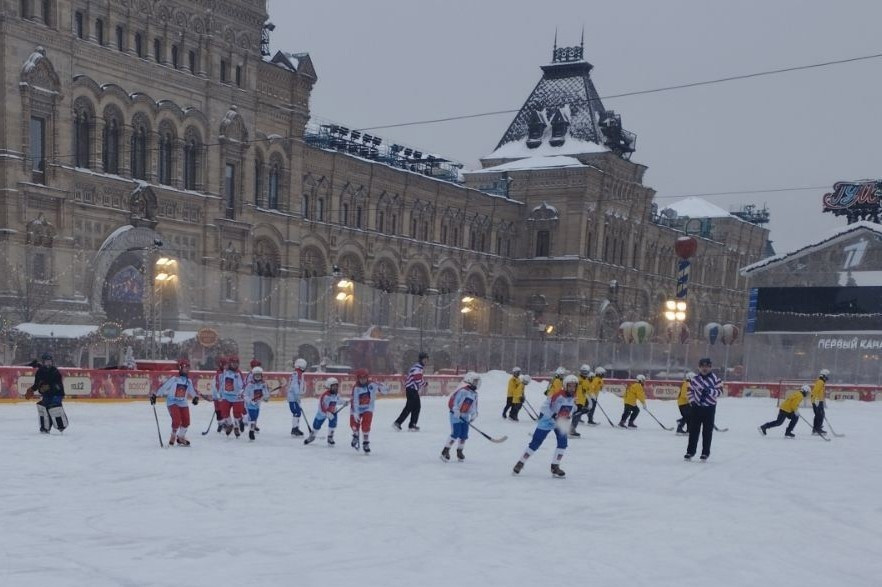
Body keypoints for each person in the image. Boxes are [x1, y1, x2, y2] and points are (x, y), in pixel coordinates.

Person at [513, 374, 576, 478]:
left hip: (560, 422)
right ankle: (520, 462)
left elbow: (571, 408)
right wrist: (553, 415)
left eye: (574, 386)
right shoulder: (557, 395)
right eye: (570, 386)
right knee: (535, 443)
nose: (572, 388)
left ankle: (555, 466)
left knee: (563, 443)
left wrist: (569, 415)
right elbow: (545, 407)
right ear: (565, 385)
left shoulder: (573, 397)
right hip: (547, 421)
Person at [150, 358, 199, 446]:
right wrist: (155, 395)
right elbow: (164, 387)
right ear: (180, 368)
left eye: (188, 367)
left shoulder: (188, 381)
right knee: (176, 420)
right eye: (185, 367)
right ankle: (173, 435)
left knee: (186, 422)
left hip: (183, 402)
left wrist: (195, 397)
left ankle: (181, 437)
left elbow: (192, 391)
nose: (187, 369)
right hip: (172, 402)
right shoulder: (174, 379)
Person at [685, 358, 722, 460]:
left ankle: (705, 453)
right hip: (697, 408)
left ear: (710, 367)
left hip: (709, 408)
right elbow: (689, 391)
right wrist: (692, 401)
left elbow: (720, 392)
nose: (704, 368)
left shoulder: (716, 379)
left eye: (707, 366)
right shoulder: (694, 379)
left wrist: (709, 391)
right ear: (699, 367)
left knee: (707, 431)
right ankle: (690, 452)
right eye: (702, 366)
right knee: (693, 431)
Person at [441, 372, 480, 462]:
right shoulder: (462, 391)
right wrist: (456, 411)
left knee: (464, 435)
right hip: (455, 416)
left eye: (477, 382)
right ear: (469, 380)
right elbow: (454, 402)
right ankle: (445, 451)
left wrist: (474, 414)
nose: (476, 383)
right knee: (456, 433)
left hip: (465, 416)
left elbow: (473, 406)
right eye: (475, 381)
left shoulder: (474, 394)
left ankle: (460, 451)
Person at [25, 352, 67, 433]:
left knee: (54, 408)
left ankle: (60, 425)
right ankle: (45, 427)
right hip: (46, 394)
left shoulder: (55, 371)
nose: (48, 363)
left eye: (50, 361)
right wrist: (32, 389)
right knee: (44, 408)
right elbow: (37, 384)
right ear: (43, 362)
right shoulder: (40, 372)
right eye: (46, 362)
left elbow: (58, 385)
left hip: (57, 394)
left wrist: (49, 387)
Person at [351, 369, 386, 454]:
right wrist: (355, 412)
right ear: (358, 378)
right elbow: (355, 401)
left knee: (366, 426)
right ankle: (355, 435)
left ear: (367, 377)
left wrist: (383, 388)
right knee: (354, 425)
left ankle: (366, 442)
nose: (363, 380)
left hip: (368, 408)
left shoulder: (372, 384)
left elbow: (383, 389)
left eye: (364, 378)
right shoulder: (356, 388)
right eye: (361, 378)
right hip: (357, 409)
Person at [394, 351, 428, 431]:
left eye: (426, 360)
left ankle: (412, 424)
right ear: (420, 360)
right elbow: (418, 379)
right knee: (410, 407)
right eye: (424, 360)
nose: (425, 361)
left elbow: (417, 379)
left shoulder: (418, 367)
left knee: (415, 407)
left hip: (412, 389)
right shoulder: (418, 368)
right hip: (411, 389)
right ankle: (398, 423)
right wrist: (424, 384)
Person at [305, 377, 342, 446]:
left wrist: (344, 402)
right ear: (329, 386)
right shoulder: (325, 396)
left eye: (336, 386)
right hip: (322, 413)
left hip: (332, 411)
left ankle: (330, 437)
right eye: (333, 386)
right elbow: (322, 407)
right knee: (316, 424)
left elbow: (338, 401)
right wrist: (327, 413)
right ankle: (312, 436)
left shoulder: (336, 394)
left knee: (333, 423)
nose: (335, 388)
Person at [217, 355, 246, 437]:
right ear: (230, 363)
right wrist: (219, 393)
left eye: (236, 363)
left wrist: (241, 392)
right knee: (224, 412)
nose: (235, 365)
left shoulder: (238, 373)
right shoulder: (225, 372)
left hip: (236, 397)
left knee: (237, 413)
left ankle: (237, 426)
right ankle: (230, 424)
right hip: (226, 395)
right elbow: (222, 383)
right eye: (233, 363)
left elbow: (242, 385)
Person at [243, 366, 270, 441]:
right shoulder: (250, 385)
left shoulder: (263, 384)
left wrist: (266, 397)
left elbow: (266, 394)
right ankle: (251, 432)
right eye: (256, 375)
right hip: (250, 405)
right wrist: (250, 401)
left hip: (257, 405)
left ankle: (245, 422)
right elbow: (245, 395)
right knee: (252, 418)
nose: (257, 377)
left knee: (255, 418)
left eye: (259, 375)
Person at [569, 364, 592, 437]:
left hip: (582, 401)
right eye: (583, 372)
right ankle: (571, 430)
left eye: (586, 372)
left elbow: (587, 391)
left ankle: (572, 429)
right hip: (576, 400)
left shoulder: (587, 380)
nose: (584, 374)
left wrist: (589, 399)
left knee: (578, 415)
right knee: (576, 415)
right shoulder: (577, 379)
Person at [287, 357, 307, 436]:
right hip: (293, 398)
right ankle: (294, 429)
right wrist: (297, 396)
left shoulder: (297, 373)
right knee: (297, 412)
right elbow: (295, 386)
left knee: (297, 412)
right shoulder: (297, 373)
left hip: (294, 397)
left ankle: (296, 428)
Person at [211, 356, 228, 433]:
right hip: (217, 396)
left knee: (222, 410)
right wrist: (218, 394)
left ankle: (223, 423)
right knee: (218, 410)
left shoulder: (226, 373)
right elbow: (216, 385)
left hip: (222, 396)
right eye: (225, 365)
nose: (226, 366)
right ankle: (221, 423)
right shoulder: (218, 374)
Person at [811, 369, 829, 435]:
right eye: (827, 375)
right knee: (819, 415)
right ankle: (817, 429)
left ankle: (816, 429)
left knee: (820, 415)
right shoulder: (820, 382)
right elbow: (815, 391)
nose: (827, 377)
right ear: (824, 375)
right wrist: (814, 401)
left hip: (819, 401)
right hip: (817, 401)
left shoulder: (822, 382)